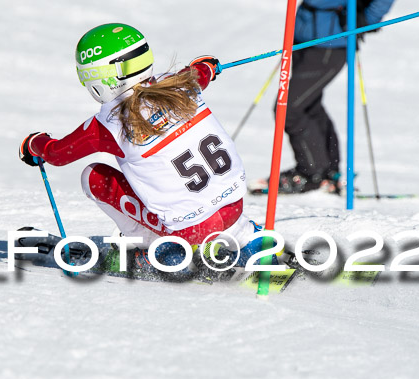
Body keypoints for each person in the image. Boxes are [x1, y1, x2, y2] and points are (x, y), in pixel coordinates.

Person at [18, 23, 267, 276]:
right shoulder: (182, 85)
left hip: (192, 229)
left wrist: (34, 143)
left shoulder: (109, 124)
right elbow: (201, 71)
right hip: (234, 206)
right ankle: (247, 237)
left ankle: (156, 252)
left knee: (92, 176)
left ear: (101, 78)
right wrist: (207, 67)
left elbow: (56, 154)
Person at [258, 0, 395, 194]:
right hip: (303, 38)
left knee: (289, 108)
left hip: (331, 43)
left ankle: (312, 173)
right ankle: (328, 171)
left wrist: (367, 19)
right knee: (309, 105)